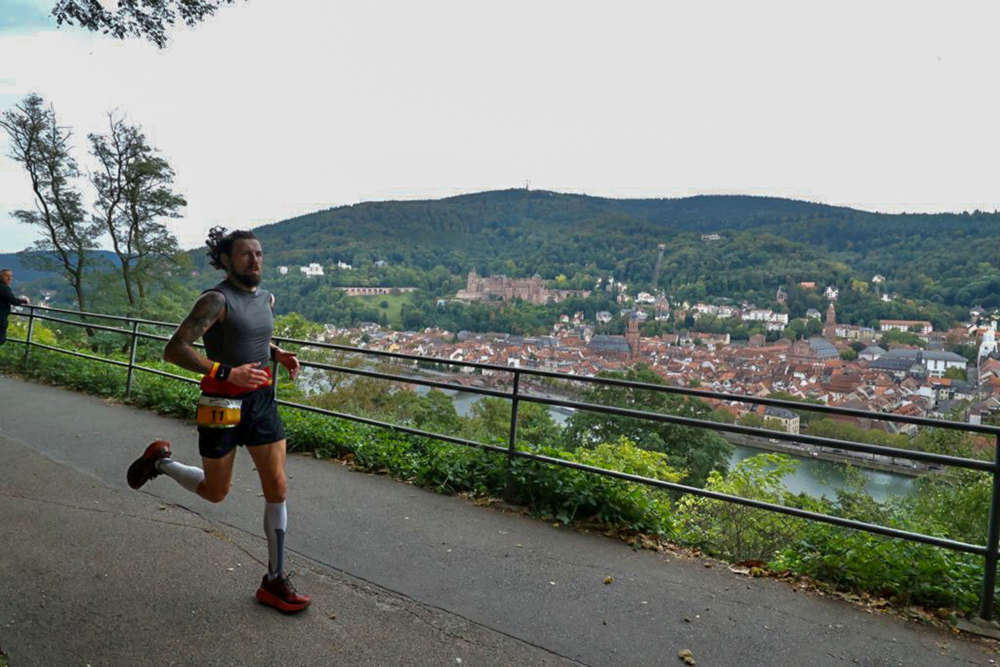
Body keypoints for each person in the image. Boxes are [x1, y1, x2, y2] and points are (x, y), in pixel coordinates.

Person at [126, 228, 310, 613]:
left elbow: (252, 338)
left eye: (259, 253)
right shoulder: (215, 299)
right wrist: (226, 373)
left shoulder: (266, 298)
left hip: (261, 403)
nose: (255, 260)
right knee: (215, 492)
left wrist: (277, 354)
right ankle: (159, 462)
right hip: (221, 404)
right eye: (246, 254)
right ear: (226, 260)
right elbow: (175, 349)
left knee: (277, 486)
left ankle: (275, 580)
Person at [0, 269, 30, 345]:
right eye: (7, 276)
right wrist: (24, 300)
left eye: (10, 276)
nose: (10, 278)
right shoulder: (4, 288)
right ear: (1, 276)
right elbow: (13, 301)